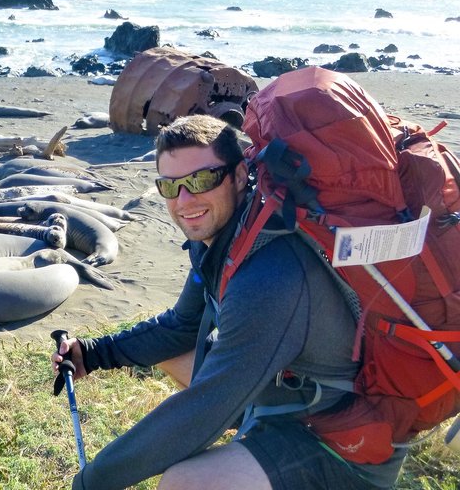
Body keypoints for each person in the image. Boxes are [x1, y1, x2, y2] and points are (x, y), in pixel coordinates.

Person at [51, 114, 406, 490]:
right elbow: (179, 327)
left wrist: (92, 480)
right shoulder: (231, 237)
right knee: (170, 350)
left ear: (239, 176)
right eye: (169, 186)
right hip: (286, 391)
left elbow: (205, 411)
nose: (184, 201)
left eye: (201, 181)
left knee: (185, 482)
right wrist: (92, 354)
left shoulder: (269, 275)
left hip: (343, 441)